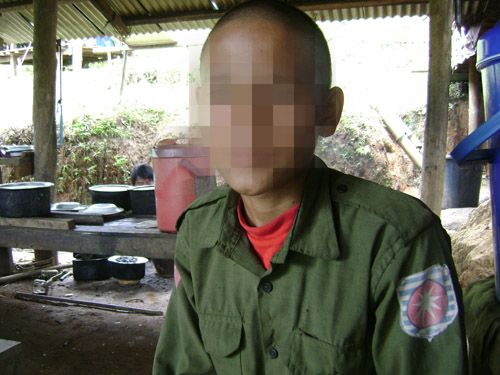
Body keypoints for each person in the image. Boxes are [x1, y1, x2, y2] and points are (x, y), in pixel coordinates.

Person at [153, 1, 468, 374]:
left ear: (327, 111)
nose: (247, 120)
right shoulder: (197, 233)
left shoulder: (397, 242)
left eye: (278, 93)